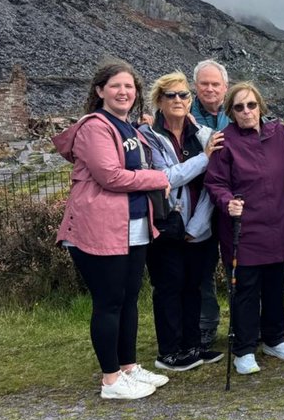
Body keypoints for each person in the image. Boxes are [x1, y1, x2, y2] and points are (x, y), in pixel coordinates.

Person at [52, 60, 173, 400]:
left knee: (128, 300)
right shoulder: (95, 127)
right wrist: (158, 178)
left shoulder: (129, 128)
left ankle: (129, 367)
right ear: (100, 90)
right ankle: (110, 380)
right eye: (116, 86)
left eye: (129, 87)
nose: (123, 92)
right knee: (108, 303)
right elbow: (110, 175)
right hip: (99, 229)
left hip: (132, 227)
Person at [204, 81, 284, 375]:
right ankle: (244, 348)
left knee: (275, 284)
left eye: (251, 105)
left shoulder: (280, 133)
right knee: (245, 289)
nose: (246, 111)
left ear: (260, 106)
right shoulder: (224, 141)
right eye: (239, 107)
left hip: (279, 222)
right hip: (244, 227)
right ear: (230, 112)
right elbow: (215, 182)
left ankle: (274, 338)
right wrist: (226, 201)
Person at [137, 72, 224, 372]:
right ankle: (169, 352)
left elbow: (213, 183)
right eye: (171, 95)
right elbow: (164, 179)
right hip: (165, 223)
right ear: (159, 101)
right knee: (169, 287)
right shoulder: (147, 137)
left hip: (197, 227)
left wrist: (197, 227)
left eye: (184, 95)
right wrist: (203, 160)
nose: (178, 100)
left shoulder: (201, 135)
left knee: (195, 286)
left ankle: (193, 345)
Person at [190, 59, 230, 354]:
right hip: (196, 200)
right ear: (195, 86)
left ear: (225, 87)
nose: (210, 88)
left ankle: (245, 323)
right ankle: (206, 325)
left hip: (231, 200)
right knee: (201, 269)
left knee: (238, 264)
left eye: (215, 83)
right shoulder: (181, 114)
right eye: (204, 83)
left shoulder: (239, 110)